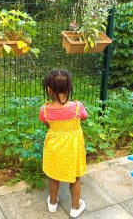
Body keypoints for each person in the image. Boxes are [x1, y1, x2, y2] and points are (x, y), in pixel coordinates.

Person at [39, 69, 88, 218]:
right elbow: (83, 118)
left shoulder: (45, 110)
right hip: (73, 148)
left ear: (49, 89)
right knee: (75, 177)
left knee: (54, 176)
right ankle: (75, 207)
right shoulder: (78, 106)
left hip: (54, 148)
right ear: (69, 88)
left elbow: (48, 125)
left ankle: (53, 203)